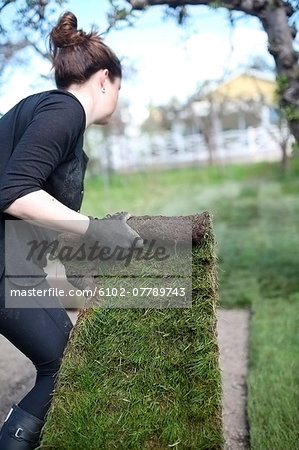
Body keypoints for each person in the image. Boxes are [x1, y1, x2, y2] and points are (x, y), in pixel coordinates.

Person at [0, 11, 142, 449]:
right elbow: (14, 192)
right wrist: (97, 232)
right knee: (64, 361)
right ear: (104, 79)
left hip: (13, 263)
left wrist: (82, 260)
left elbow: (37, 213)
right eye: (119, 87)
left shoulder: (51, 114)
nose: (117, 96)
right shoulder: (64, 111)